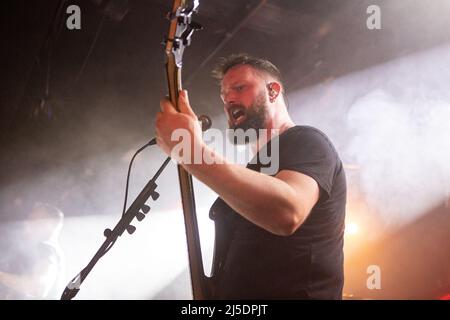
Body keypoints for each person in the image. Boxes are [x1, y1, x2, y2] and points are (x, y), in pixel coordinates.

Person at [155, 53, 346, 299]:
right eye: (224, 96)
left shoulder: (308, 141)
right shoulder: (253, 171)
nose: (229, 99)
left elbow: (287, 212)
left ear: (273, 91)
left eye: (239, 88)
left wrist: (192, 153)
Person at [0, 202, 65, 299]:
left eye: (34, 219)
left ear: (50, 224)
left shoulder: (47, 250)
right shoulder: (46, 250)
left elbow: (38, 288)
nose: (27, 223)